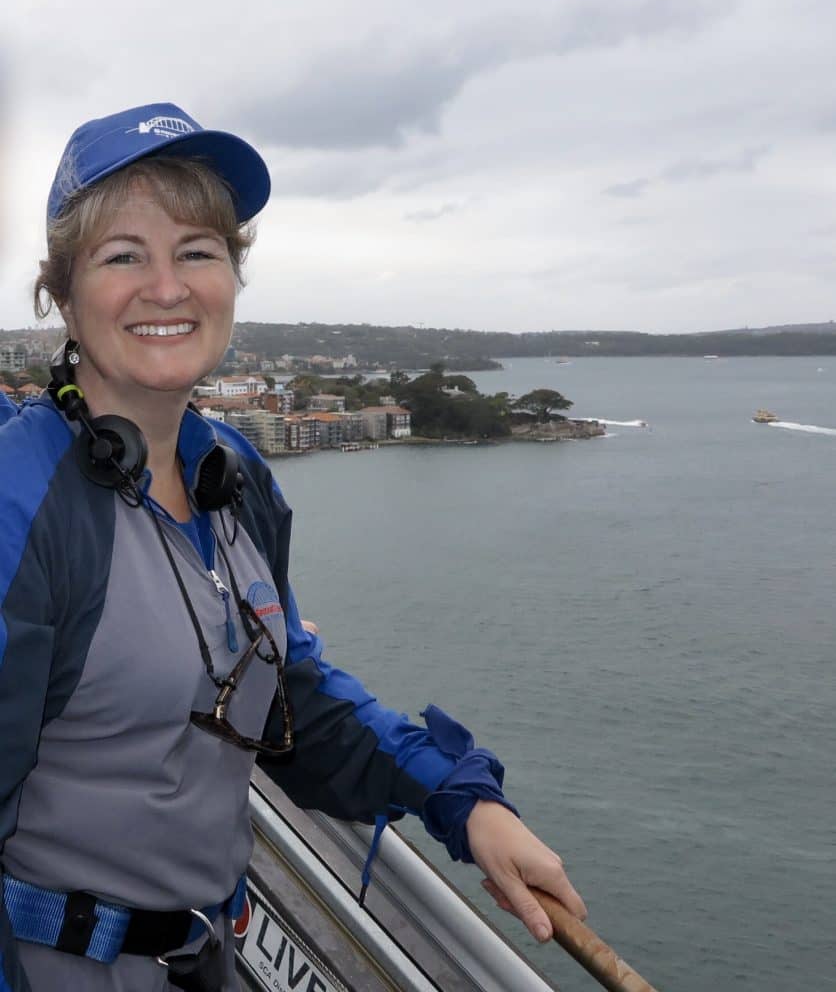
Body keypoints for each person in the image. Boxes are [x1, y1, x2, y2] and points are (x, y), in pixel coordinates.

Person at [0, 103, 586, 992]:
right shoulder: (19, 503)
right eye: (124, 256)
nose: (168, 287)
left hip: (200, 962)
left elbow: (286, 696)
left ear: (233, 278)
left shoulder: (233, 479)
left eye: (198, 250)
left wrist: (459, 801)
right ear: (64, 295)